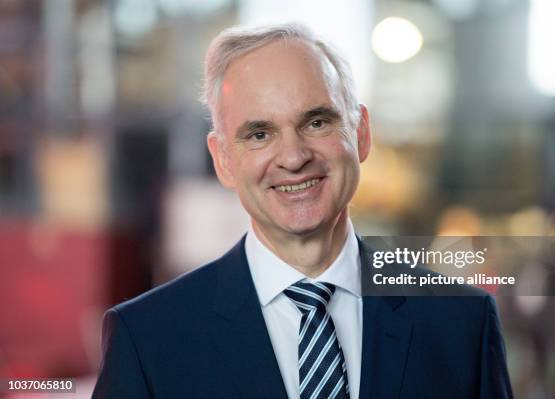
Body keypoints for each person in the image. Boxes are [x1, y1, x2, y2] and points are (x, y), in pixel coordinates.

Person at [92, 23, 514, 399]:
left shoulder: (461, 322)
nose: (293, 157)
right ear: (222, 160)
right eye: (259, 134)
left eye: (316, 123)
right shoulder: (149, 339)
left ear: (361, 133)